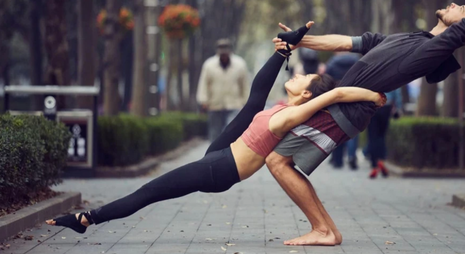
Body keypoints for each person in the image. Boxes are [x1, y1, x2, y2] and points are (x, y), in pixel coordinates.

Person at [267, 0, 465, 246]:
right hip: (339, 107)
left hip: (346, 111)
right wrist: (299, 41)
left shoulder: (437, 48)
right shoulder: (410, 37)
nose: (454, 4)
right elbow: (346, 42)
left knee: (277, 161)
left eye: (462, 9)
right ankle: (327, 230)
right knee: (281, 161)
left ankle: (323, 230)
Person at [45, 22, 386, 237]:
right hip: (223, 153)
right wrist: (282, 51)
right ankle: (86, 218)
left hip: (221, 169)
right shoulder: (281, 108)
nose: (295, 77)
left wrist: (373, 95)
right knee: (252, 105)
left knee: (150, 191)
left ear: (309, 94)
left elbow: (339, 93)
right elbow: (254, 100)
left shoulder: (290, 116)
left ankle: (86, 219)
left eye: (302, 78)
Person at [196, 38, 249, 140]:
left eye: (225, 49)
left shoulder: (240, 64)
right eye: (221, 49)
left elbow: (245, 85)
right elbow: (204, 83)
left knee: (231, 132)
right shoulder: (209, 65)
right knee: (215, 133)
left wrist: (246, 102)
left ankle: (230, 154)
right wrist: (203, 100)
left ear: (230, 50)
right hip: (214, 105)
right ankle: (214, 155)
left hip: (234, 105)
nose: (223, 52)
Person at [325, 51, 361, 169]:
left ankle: (338, 159)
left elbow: (327, 80)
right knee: (353, 127)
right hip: (354, 96)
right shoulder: (357, 61)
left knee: (338, 126)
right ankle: (351, 156)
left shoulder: (332, 63)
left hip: (337, 98)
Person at [368, 89, 402, 178]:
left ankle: (374, 164)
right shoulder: (392, 74)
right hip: (386, 106)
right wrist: (398, 108)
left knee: (372, 136)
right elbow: (397, 90)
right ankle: (381, 160)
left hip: (372, 105)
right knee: (381, 135)